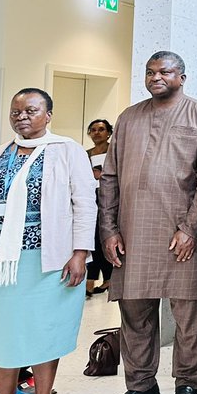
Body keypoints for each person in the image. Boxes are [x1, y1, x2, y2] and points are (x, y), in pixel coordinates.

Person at [0, 89, 94, 394]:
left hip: (47, 259)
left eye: (31, 110)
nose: (22, 116)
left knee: (43, 329)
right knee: (1, 331)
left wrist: (80, 252)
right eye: (16, 111)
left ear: (48, 114)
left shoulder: (67, 151)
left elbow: (85, 203)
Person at [97, 51, 197, 394]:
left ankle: (187, 384)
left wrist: (190, 228)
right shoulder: (128, 118)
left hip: (181, 232)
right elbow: (110, 178)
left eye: (165, 72)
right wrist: (109, 230)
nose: (156, 77)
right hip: (132, 232)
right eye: (150, 72)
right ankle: (140, 387)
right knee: (134, 313)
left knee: (188, 313)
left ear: (182, 76)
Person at [85, 118, 114, 295]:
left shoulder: (114, 151)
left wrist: (102, 175)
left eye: (101, 129)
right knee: (93, 238)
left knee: (103, 238)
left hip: (110, 197)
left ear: (109, 132)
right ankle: (99, 278)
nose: (97, 132)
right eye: (93, 129)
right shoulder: (85, 154)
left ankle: (96, 280)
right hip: (91, 198)